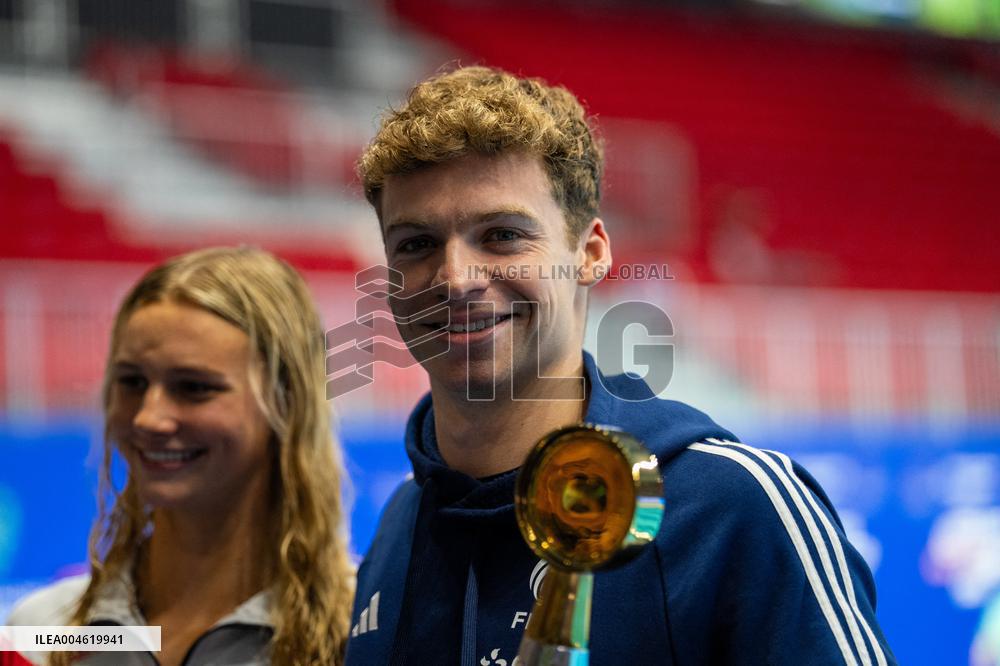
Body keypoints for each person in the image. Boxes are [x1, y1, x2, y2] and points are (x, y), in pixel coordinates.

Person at [344, 66, 897, 665]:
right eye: (416, 244)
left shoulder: (733, 508)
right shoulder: (399, 526)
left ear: (590, 254)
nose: (455, 279)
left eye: (502, 235)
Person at [7, 247, 354, 665]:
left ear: (287, 402)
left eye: (194, 387)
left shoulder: (361, 631)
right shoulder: (43, 632)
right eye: (132, 382)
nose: (149, 418)